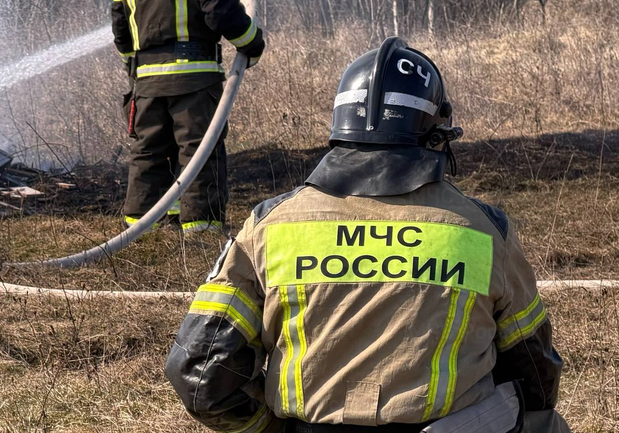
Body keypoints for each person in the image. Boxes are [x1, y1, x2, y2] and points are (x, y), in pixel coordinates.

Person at [165, 38, 571, 433]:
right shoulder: (483, 228)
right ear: (435, 134)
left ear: (341, 128)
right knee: (545, 423)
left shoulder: (270, 225)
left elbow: (199, 373)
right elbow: (534, 370)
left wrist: (268, 427)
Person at [108, 0, 265, 234]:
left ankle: (141, 230)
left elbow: (120, 27)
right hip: (195, 78)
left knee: (147, 152)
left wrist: (133, 69)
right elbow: (220, 12)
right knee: (199, 151)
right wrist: (252, 43)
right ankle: (201, 230)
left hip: (145, 81)